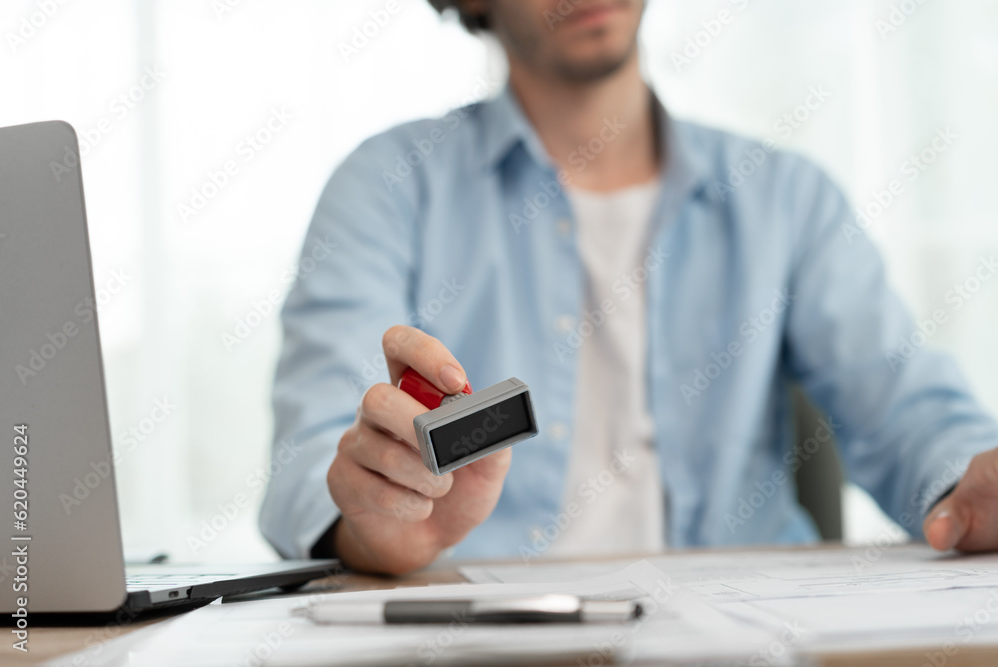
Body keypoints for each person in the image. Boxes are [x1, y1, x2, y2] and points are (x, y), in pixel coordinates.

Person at [259, 0, 998, 575]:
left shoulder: (786, 198)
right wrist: (375, 525)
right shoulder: (386, 188)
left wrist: (972, 480)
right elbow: (313, 453)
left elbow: (906, 406)